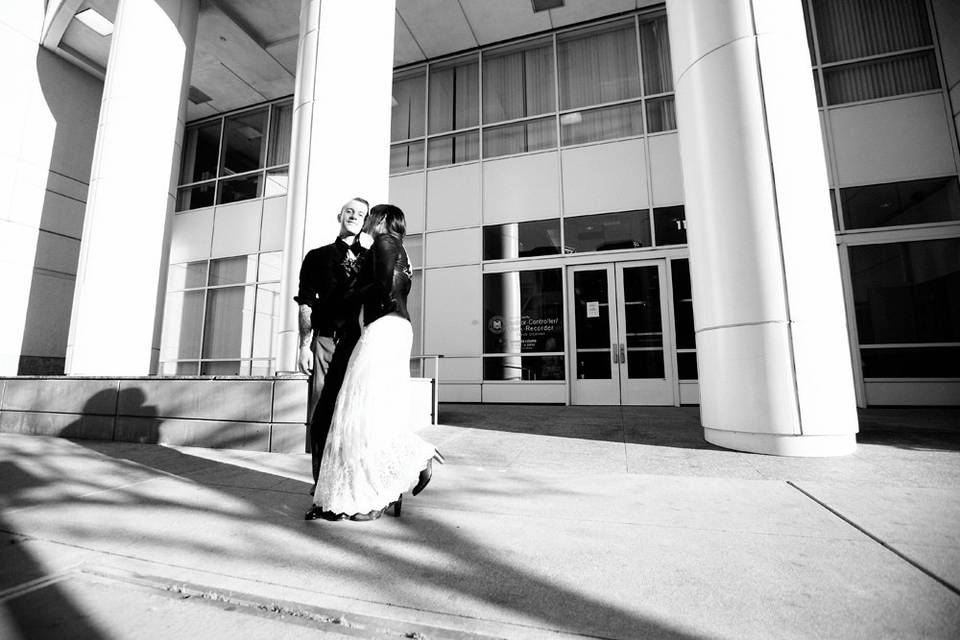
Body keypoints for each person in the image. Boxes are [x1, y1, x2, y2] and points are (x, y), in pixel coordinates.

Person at [306, 204, 442, 522]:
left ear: (379, 219)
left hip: (383, 330)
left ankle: (413, 460)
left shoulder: (383, 243)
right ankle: (374, 490)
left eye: (369, 217)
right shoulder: (401, 249)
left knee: (360, 411)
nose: (365, 222)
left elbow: (381, 288)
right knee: (372, 410)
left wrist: (347, 293)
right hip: (397, 328)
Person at [295, 197, 371, 486]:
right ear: (339, 215)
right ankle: (321, 483)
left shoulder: (371, 258)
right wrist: (304, 345)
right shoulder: (316, 256)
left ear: (365, 222)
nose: (353, 216)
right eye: (349, 211)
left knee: (355, 413)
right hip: (324, 342)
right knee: (321, 414)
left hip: (358, 345)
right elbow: (305, 304)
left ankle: (351, 482)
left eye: (360, 214)